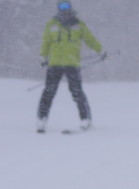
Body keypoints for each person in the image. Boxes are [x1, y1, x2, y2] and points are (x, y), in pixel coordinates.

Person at [36, 1, 106, 133]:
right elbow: (46, 42)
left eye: (66, 6)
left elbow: (90, 39)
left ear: (71, 8)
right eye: (61, 7)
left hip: (72, 64)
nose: (64, 10)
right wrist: (43, 57)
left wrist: (100, 50)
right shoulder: (52, 24)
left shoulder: (78, 25)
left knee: (77, 92)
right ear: (58, 9)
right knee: (48, 93)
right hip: (55, 64)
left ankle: (86, 120)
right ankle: (41, 120)